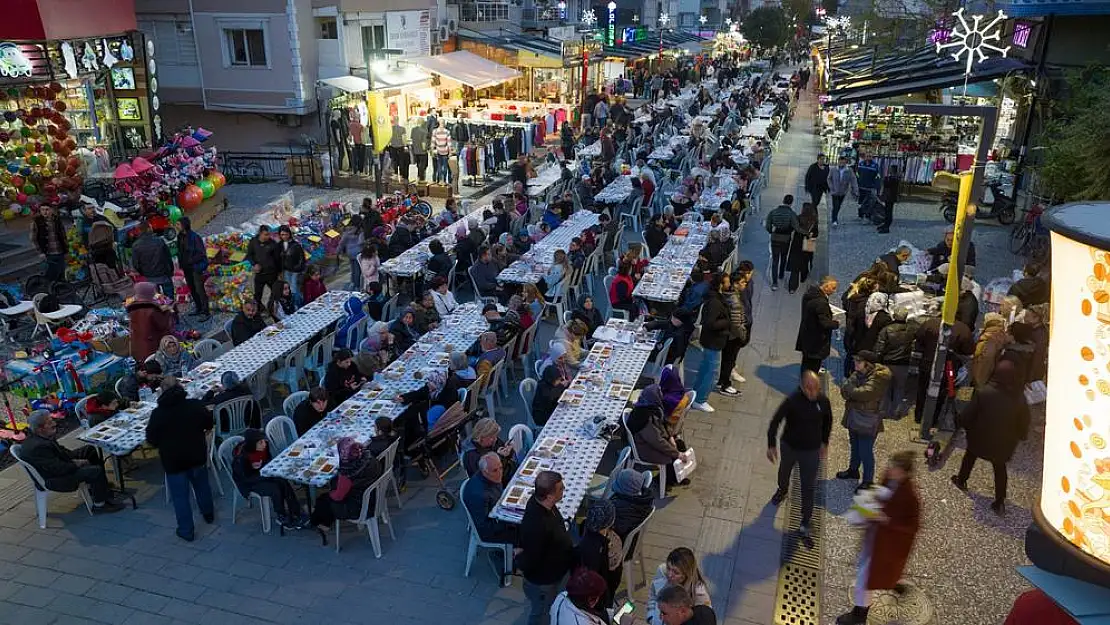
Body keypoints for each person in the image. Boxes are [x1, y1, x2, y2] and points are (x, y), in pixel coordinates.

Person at [836, 451, 921, 625]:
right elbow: (881, 493)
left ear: (904, 473)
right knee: (871, 574)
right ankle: (891, 583)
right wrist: (870, 502)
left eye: (895, 469)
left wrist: (887, 521)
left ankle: (859, 616)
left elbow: (912, 527)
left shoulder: (910, 495)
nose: (890, 470)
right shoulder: (890, 478)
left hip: (886, 545)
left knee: (866, 578)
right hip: (876, 538)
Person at [951, 360, 1029, 515]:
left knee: (970, 456)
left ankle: (961, 480)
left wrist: (961, 423)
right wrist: (1021, 436)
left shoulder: (984, 392)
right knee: (1000, 468)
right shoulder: (1019, 398)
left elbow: (969, 415)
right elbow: (1024, 421)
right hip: (1004, 443)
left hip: (980, 438)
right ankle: (999, 501)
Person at [145, 377, 215, 541]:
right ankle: (208, 513)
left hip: (174, 462)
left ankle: (186, 530)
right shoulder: (193, 405)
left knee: (180, 497)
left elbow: (152, 439)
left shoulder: (158, 414)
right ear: (180, 387)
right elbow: (208, 421)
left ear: (162, 392)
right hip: (196, 455)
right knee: (202, 486)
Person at [767, 370, 831, 538]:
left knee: (808, 486)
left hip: (811, 451)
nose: (812, 392)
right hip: (790, 447)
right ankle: (782, 490)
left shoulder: (823, 402)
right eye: (808, 388)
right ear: (802, 387)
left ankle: (806, 519)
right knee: (784, 472)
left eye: (815, 388)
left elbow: (828, 421)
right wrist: (771, 445)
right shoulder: (792, 400)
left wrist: (825, 442)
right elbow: (776, 421)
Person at [20, 410, 123, 512]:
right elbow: (58, 468)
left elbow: (61, 451)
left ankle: (100, 487)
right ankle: (99, 505)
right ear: (40, 429)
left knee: (89, 450)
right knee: (95, 470)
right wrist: (76, 464)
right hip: (54, 478)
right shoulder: (38, 447)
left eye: (52, 420)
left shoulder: (41, 436)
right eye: (50, 422)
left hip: (58, 464)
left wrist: (75, 458)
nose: (54, 423)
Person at [520, 471, 575, 625]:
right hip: (544, 582)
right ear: (549, 496)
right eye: (560, 489)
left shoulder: (541, 503)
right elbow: (531, 558)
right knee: (541, 613)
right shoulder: (538, 525)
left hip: (556, 572)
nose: (564, 489)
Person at [309, 437, 383, 546]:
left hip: (358, 507)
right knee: (330, 490)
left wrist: (331, 493)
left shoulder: (348, 473)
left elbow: (338, 496)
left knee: (324, 499)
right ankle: (324, 520)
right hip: (374, 495)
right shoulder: (370, 458)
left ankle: (320, 523)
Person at [835, 350, 891, 491]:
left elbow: (864, 393)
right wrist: (851, 390)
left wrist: (850, 389)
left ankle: (868, 481)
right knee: (854, 446)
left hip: (868, 418)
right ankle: (853, 470)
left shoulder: (879, 378)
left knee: (865, 450)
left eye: (858, 362)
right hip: (855, 415)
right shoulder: (858, 373)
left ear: (867, 364)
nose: (855, 363)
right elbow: (845, 391)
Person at [231, 429, 307, 530]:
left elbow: (268, 460)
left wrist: (263, 466)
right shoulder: (241, 458)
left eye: (264, 441)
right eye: (260, 442)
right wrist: (260, 472)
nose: (264, 444)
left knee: (282, 480)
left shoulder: (264, 447)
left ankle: (296, 510)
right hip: (249, 483)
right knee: (274, 488)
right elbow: (245, 478)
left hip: (263, 473)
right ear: (253, 444)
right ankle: (281, 515)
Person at [913, 313, 973, 425]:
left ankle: (918, 416)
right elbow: (968, 350)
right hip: (950, 368)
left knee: (922, 389)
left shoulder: (930, 323)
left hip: (927, 363)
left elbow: (918, 338)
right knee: (943, 393)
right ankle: (933, 419)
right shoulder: (963, 329)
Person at [627, 385, 691, 486]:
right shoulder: (644, 418)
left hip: (652, 441)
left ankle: (678, 476)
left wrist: (670, 437)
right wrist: (676, 453)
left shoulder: (651, 408)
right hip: (644, 448)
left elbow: (664, 424)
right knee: (671, 456)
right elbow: (656, 441)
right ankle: (665, 481)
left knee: (679, 444)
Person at [463, 452, 520, 548]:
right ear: (485, 472)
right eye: (495, 470)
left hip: (499, 513)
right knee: (529, 534)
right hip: (492, 532)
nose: (500, 473)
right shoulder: (479, 495)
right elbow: (485, 527)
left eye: (501, 468)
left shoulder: (489, 476)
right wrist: (511, 521)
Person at [690, 273, 730, 412]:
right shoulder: (715, 302)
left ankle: (695, 394)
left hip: (712, 341)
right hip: (713, 341)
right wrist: (727, 321)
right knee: (710, 372)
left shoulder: (713, 298)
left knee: (705, 369)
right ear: (720, 284)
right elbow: (710, 323)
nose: (728, 284)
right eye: (726, 282)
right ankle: (700, 399)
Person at [576, 500, 624, 609]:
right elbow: (614, 570)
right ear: (610, 522)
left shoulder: (584, 531)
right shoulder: (611, 544)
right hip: (602, 588)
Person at [647, 548, 713, 625]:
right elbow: (653, 594)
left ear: (686, 574)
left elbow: (704, 617)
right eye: (668, 568)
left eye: (676, 572)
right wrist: (650, 616)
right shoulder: (662, 571)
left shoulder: (699, 594)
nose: (669, 574)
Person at [873, 308, 915, 418]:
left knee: (885, 388)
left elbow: (879, 348)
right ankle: (896, 412)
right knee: (899, 389)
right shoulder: (911, 330)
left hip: (887, 363)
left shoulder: (887, 330)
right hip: (903, 364)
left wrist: (876, 361)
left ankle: (883, 411)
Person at [796, 276, 840, 374]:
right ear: (826, 286)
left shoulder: (809, 295)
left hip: (807, 335)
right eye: (833, 288)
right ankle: (808, 387)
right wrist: (836, 323)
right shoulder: (821, 303)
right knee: (813, 366)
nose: (834, 291)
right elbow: (825, 323)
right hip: (816, 341)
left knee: (806, 363)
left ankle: (804, 383)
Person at [716, 272, 749, 397]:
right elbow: (736, 324)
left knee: (727, 359)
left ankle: (722, 381)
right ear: (735, 284)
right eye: (742, 282)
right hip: (733, 336)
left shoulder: (729, 296)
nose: (745, 284)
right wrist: (742, 334)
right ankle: (725, 384)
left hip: (729, 334)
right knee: (729, 360)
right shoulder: (734, 301)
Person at [126, 282, 175, 363]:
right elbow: (163, 325)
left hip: (139, 343)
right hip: (153, 345)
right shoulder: (152, 310)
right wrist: (167, 312)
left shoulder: (132, 308)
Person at [462, 417, 518, 482]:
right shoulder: (472, 456)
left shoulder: (492, 441)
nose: (495, 439)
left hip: (510, 473)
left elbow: (504, 454)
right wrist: (500, 457)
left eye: (496, 436)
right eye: (492, 437)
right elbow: (490, 477)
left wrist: (509, 451)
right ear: (481, 438)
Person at [176, 217, 210, 320]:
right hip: (187, 268)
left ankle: (206, 312)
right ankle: (198, 308)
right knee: (192, 288)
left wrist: (190, 261)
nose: (176, 226)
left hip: (195, 267)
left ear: (184, 225)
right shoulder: (180, 237)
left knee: (199, 289)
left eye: (178, 224)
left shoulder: (195, 237)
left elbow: (201, 254)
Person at [764, 195, 800, 291]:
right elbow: (796, 228)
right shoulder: (792, 214)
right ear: (791, 203)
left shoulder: (773, 212)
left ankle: (774, 283)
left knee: (775, 260)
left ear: (783, 200)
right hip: (786, 239)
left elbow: (768, 226)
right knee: (784, 257)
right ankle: (781, 274)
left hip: (775, 238)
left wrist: (771, 232)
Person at [131, 222, 175, 296]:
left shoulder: (135, 246)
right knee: (170, 299)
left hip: (150, 277)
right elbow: (168, 257)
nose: (152, 228)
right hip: (164, 275)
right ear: (148, 229)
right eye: (151, 227)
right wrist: (171, 271)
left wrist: (144, 273)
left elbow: (136, 264)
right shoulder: (159, 241)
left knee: (156, 300)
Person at [610, 469, 655, 541]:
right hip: (632, 534)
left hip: (617, 540)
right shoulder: (645, 499)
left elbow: (618, 529)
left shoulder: (620, 509)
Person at [533, 343, 571, 426]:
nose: (559, 382)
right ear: (551, 380)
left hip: (550, 408)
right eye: (557, 380)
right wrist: (562, 386)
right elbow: (551, 397)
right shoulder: (544, 388)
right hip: (543, 416)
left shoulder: (550, 379)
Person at [31, 204, 68, 282]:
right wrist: (40, 252)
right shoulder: (36, 222)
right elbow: (33, 239)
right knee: (51, 274)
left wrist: (66, 249)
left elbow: (63, 235)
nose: (45, 212)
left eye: (47, 209)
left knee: (61, 272)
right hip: (48, 252)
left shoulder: (57, 220)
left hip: (59, 250)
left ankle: (62, 289)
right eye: (43, 210)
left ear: (51, 210)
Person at [787, 203, 818, 294]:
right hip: (809, 242)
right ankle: (803, 277)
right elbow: (816, 233)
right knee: (806, 260)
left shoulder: (798, 218)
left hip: (798, 242)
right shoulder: (814, 220)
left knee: (795, 265)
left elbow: (793, 228)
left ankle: (792, 287)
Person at [246, 225, 281, 304]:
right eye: (266, 234)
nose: (268, 237)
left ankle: (274, 309)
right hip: (260, 274)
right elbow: (249, 255)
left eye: (269, 234)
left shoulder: (273, 244)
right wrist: (254, 264)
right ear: (260, 233)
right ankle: (258, 310)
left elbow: (277, 259)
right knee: (258, 295)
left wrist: (279, 272)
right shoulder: (253, 242)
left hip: (272, 274)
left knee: (276, 293)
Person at [972, 313, 1009, 388]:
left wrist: (978, 384)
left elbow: (985, 365)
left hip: (978, 381)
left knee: (963, 396)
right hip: (988, 380)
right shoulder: (998, 337)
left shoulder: (989, 341)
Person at [276, 225, 307, 305]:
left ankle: (299, 304)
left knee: (294, 289)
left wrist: (297, 269)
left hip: (295, 271)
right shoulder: (280, 245)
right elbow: (278, 259)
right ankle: (296, 304)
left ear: (289, 234)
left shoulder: (295, 245)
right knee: (289, 290)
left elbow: (301, 258)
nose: (284, 236)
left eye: (286, 234)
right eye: (282, 235)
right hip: (286, 271)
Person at [826, 155, 858, 227]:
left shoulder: (849, 170)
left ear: (845, 163)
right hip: (834, 191)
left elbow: (853, 180)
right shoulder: (833, 169)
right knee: (835, 206)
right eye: (840, 162)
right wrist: (831, 187)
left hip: (843, 192)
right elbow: (829, 178)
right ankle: (834, 220)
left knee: (838, 205)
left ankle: (834, 217)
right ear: (838, 162)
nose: (841, 164)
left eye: (843, 163)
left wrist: (856, 190)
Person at [876, 165, 901, 233]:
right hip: (889, 196)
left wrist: (885, 178)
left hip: (890, 197)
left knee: (889, 212)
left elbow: (886, 184)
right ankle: (885, 224)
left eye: (890, 169)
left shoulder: (893, 178)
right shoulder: (894, 177)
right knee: (887, 211)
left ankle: (887, 227)